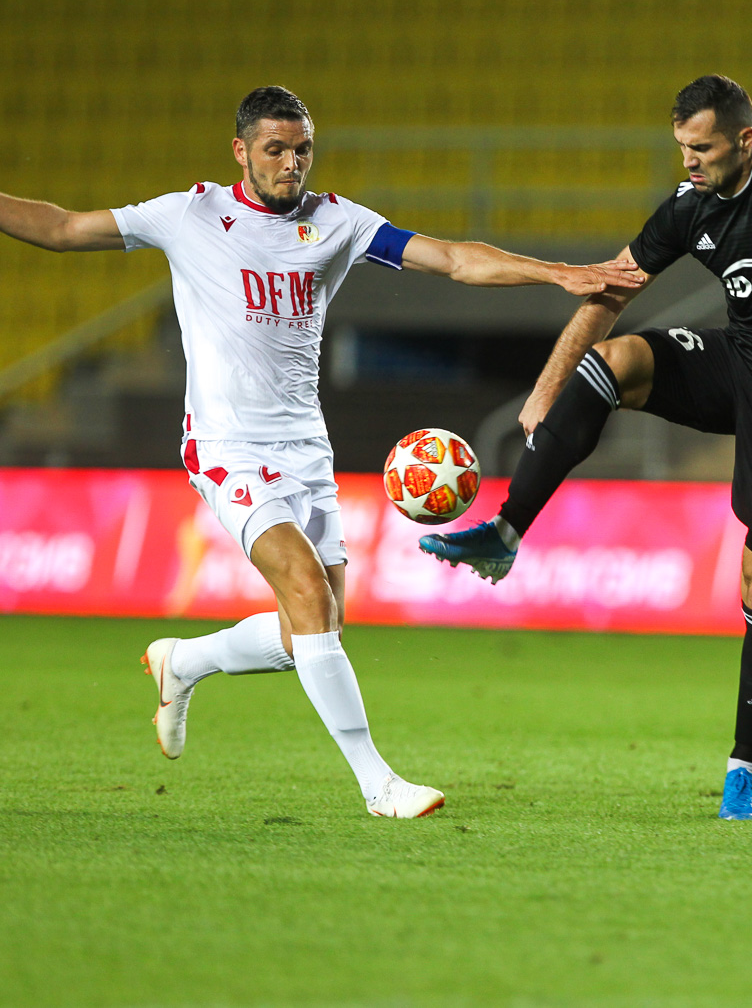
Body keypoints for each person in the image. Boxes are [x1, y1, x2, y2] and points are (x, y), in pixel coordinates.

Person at [0, 86, 643, 817]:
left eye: (302, 149)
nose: (291, 163)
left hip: (306, 449)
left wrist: (558, 273)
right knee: (307, 594)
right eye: (275, 149)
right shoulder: (189, 215)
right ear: (241, 151)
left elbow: (454, 260)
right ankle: (379, 784)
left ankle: (185, 660)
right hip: (227, 447)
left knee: (314, 625)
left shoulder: (337, 221)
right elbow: (62, 228)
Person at [419, 74, 752, 820]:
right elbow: (610, 289)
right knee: (617, 360)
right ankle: (504, 533)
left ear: (745, 141)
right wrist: (545, 389)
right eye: (682, 147)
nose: (688, 161)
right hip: (740, 365)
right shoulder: (689, 208)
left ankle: (746, 770)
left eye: (703, 147)